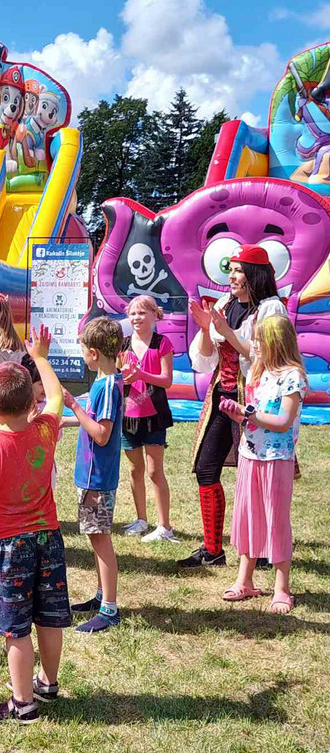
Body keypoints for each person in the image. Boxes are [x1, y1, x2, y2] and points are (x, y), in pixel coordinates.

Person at [0, 325, 72, 724]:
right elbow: (56, 396)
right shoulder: (46, 430)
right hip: (48, 540)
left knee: (16, 627)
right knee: (49, 617)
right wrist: (40, 357)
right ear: (30, 401)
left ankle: (22, 704)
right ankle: (48, 683)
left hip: (7, 549)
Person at [179, 244, 288, 568]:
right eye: (231, 270)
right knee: (205, 467)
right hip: (222, 395)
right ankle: (213, 549)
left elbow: (264, 356)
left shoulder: (271, 309)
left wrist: (226, 331)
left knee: (255, 474)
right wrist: (205, 329)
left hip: (254, 397)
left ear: (255, 275)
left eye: (238, 270)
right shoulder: (225, 304)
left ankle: (263, 549)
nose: (231, 276)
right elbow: (204, 360)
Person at [220, 316, 307, 613]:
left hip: (276, 459)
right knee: (249, 517)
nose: (254, 345)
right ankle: (244, 580)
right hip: (250, 454)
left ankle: (282, 588)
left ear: (275, 342)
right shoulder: (261, 371)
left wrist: (248, 414)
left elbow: (283, 421)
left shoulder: (293, 377)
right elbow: (255, 415)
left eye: (259, 340)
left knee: (275, 521)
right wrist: (239, 414)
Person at [63, 317, 124, 633]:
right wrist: (69, 420)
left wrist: (73, 406)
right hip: (90, 477)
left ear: (94, 353)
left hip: (98, 479)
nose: (82, 354)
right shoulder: (104, 381)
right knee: (94, 535)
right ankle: (102, 596)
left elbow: (101, 433)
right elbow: (95, 420)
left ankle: (109, 609)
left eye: (83, 349)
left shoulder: (108, 386)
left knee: (100, 539)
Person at [118, 296, 176, 542]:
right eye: (132, 313)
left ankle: (164, 527)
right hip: (128, 416)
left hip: (154, 416)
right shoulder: (122, 344)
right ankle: (141, 520)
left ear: (155, 315)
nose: (136, 318)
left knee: (154, 472)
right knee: (135, 470)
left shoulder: (162, 343)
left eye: (142, 313)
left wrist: (141, 374)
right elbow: (117, 377)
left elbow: (167, 380)